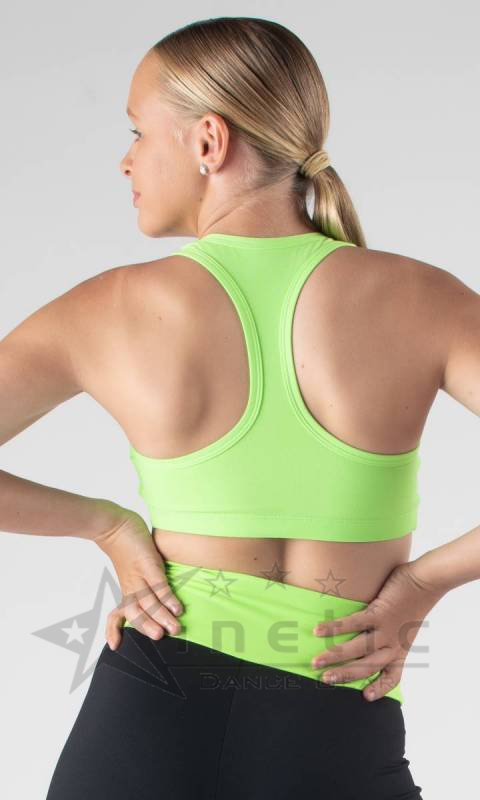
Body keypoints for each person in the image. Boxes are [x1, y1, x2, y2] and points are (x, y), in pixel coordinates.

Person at [1, 16, 479, 800]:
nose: (126, 160)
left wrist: (108, 526)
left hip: (146, 712)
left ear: (209, 141)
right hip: (339, 720)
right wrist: (426, 583)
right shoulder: (424, 298)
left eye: (137, 131)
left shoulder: (108, 309)